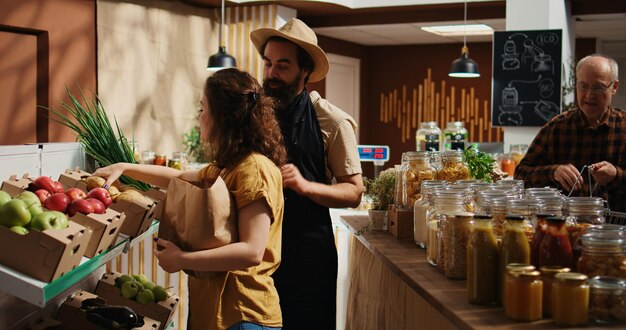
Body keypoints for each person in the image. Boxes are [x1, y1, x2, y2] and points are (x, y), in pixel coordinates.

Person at [94, 69, 287, 330]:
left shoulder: (254, 168)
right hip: (216, 313)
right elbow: (178, 177)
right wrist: (125, 167)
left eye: (202, 109)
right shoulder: (228, 166)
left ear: (221, 117)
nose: (200, 117)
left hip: (243, 314)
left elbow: (252, 252)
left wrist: (182, 258)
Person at [250, 18, 364, 329]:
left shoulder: (334, 122)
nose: (272, 74)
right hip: (255, 254)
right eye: (268, 64)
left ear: (305, 71)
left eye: (283, 66)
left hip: (307, 259)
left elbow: (353, 192)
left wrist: (305, 186)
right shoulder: (252, 115)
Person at [515, 54, 625, 212]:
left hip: (615, 230)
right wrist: (553, 172)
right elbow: (520, 175)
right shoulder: (556, 128)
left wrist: (616, 175)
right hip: (563, 230)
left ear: (613, 87)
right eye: (583, 86)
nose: (589, 95)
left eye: (598, 87)